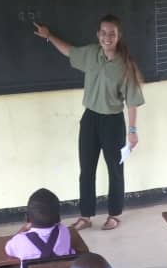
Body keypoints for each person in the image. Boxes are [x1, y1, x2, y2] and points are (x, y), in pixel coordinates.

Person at [33, 15, 144, 231]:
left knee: (115, 169)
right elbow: (69, 51)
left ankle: (114, 214)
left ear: (119, 36)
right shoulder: (92, 54)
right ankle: (85, 216)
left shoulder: (125, 65)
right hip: (90, 119)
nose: (107, 37)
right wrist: (49, 36)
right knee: (86, 169)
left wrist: (132, 131)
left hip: (113, 122)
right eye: (103, 32)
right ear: (98, 34)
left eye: (112, 33)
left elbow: (132, 102)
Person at [4, 187, 73, 268]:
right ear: (58, 216)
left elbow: (8, 250)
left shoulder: (20, 240)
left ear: (27, 218)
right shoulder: (64, 231)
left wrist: (22, 229)